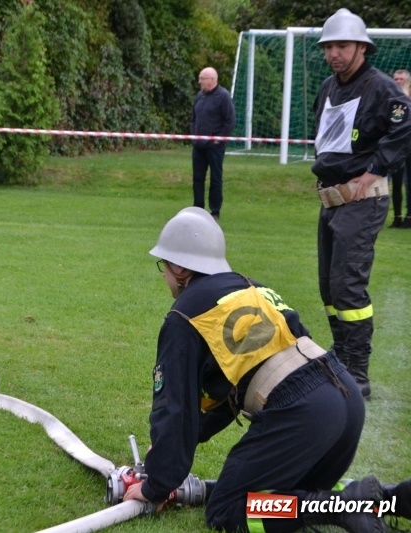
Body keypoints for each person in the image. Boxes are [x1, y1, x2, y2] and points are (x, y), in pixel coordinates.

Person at [122, 206, 409, 532]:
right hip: (344, 398)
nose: (165, 276)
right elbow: (227, 396)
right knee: (288, 497)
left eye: (164, 266)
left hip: (301, 413)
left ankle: (339, 509)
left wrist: (155, 485)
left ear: (178, 267)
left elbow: (175, 408)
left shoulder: (184, 317)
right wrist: (166, 454)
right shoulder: (250, 288)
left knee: (227, 511)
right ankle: (389, 499)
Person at [311, 8, 411, 399]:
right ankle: (341, 357)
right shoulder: (328, 87)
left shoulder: (382, 87)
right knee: (328, 288)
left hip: (362, 202)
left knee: (347, 287)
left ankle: (358, 370)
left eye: (343, 45)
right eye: (329, 46)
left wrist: (375, 171)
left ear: (361, 48)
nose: (335, 53)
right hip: (331, 200)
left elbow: (405, 128)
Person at [191, 67, 236, 221]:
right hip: (199, 146)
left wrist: (219, 138)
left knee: (215, 178)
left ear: (211, 79)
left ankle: (215, 211)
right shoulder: (199, 96)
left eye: (201, 78)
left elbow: (230, 120)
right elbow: (193, 118)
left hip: (214, 147)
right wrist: (193, 136)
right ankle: (197, 208)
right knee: (198, 178)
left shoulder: (223, 96)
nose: (199, 82)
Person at [388, 73, 411, 228]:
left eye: (401, 79)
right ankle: (397, 217)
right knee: (395, 182)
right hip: (396, 146)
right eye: (395, 79)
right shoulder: (391, 98)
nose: (397, 81)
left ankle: (409, 217)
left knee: (409, 182)